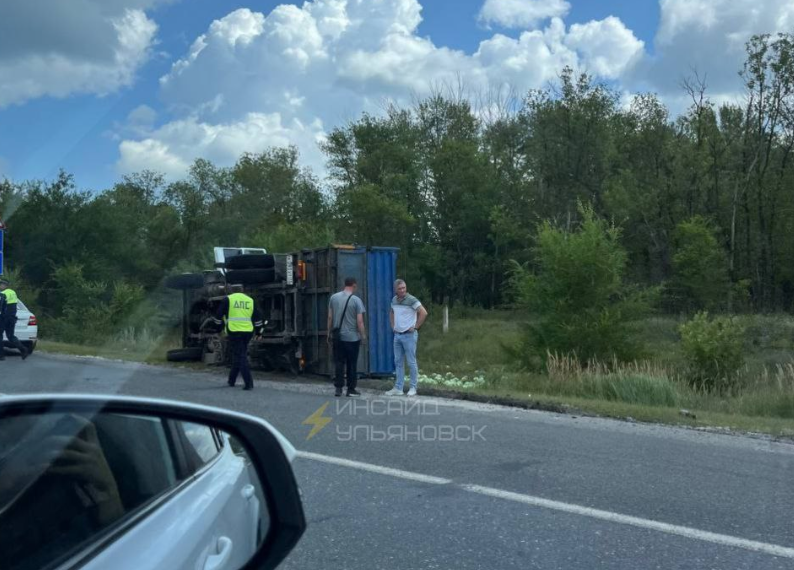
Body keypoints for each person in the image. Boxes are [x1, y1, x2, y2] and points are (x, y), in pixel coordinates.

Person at [210, 284, 264, 390]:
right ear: (242, 290)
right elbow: (258, 319)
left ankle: (249, 383)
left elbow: (218, 316)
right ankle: (231, 380)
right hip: (248, 331)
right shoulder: (250, 300)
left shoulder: (228, 299)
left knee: (241, 356)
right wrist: (259, 333)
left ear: (231, 290)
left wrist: (217, 329)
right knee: (238, 354)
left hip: (234, 331)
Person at [386, 279, 428, 397]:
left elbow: (423, 313)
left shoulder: (411, 300)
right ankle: (398, 387)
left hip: (409, 335)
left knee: (411, 361)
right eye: (400, 288)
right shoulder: (394, 300)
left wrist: (415, 327)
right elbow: (392, 312)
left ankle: (413, 387)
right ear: (395, 290)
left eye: (404, 287)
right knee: (398, 362)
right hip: (398, 335)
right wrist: (393, 325)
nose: (403, 290)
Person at [327, 277, 367, 397]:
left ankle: (338, 388)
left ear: (344, 285)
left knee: (339, 362)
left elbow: (330, 317)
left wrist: (328, 333)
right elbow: (360, 321)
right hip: (352, 338)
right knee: (352, 363)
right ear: (354, 285)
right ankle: (350, 389)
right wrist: (363, 336)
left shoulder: (333, 298)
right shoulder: (356, 300)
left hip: (338, 337)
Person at [0, 278, 29, 361]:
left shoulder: (3, 294)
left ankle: (1, 355)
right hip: (12, 318)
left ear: (4, 285)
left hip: (3, 318)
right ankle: (23, 349)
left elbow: (1, 307)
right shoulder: (13, 293)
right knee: (11, 336)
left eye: (1, 284)